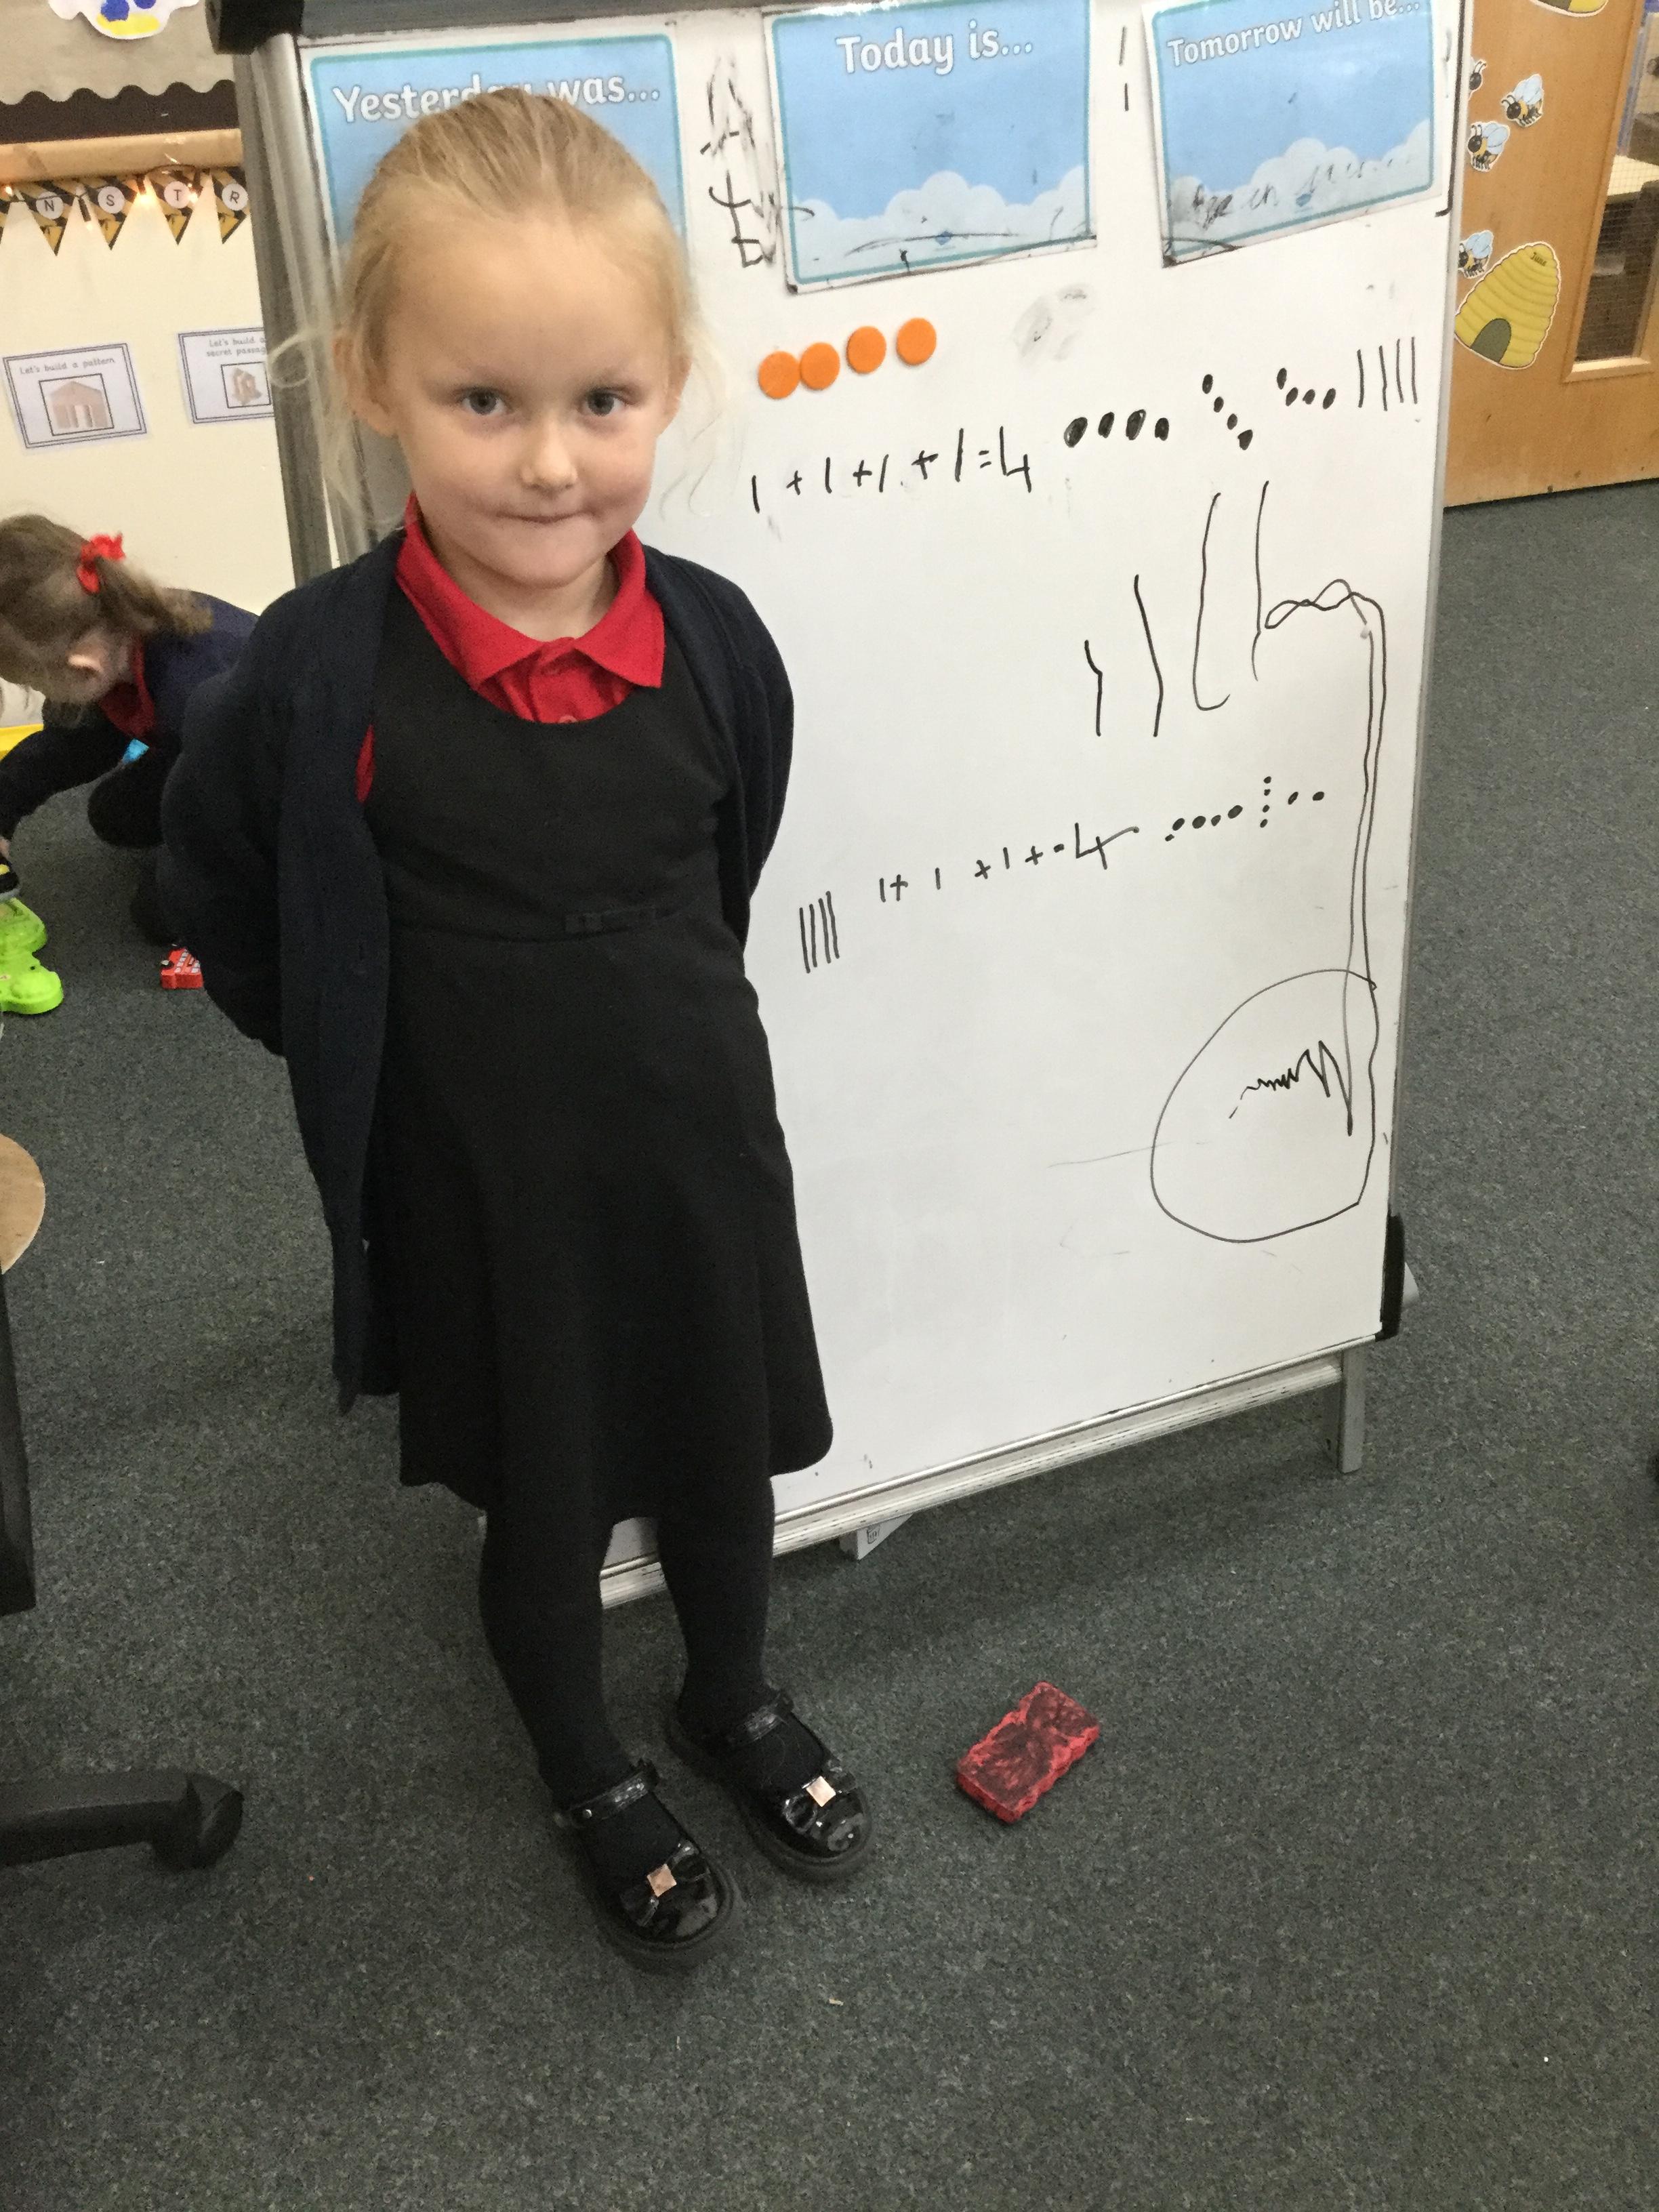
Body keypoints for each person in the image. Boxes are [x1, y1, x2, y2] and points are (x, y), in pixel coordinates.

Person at [162, 89, 871, 1972]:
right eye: (484, 400)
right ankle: (584, 1765)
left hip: (697, 1147)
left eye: (601, 401)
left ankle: (727, 1694)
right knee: (545, 1503)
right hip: (480, 1185)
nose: (551, 463)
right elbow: (228, 901)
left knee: (720, 1456)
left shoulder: (715, 641)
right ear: (371, 380)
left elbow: (724, 860)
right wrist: (370, 1072)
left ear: (668, 388)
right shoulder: (312, 676)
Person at [0, 517, 255, 1002]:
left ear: (82, 668)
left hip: (283, 780)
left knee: (161, 913)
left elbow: (243, 802)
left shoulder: (198, 685)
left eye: (35, 684)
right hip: (202, 758)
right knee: (113, 815)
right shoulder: (118, 637)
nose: (39, 694)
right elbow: (74, 747)